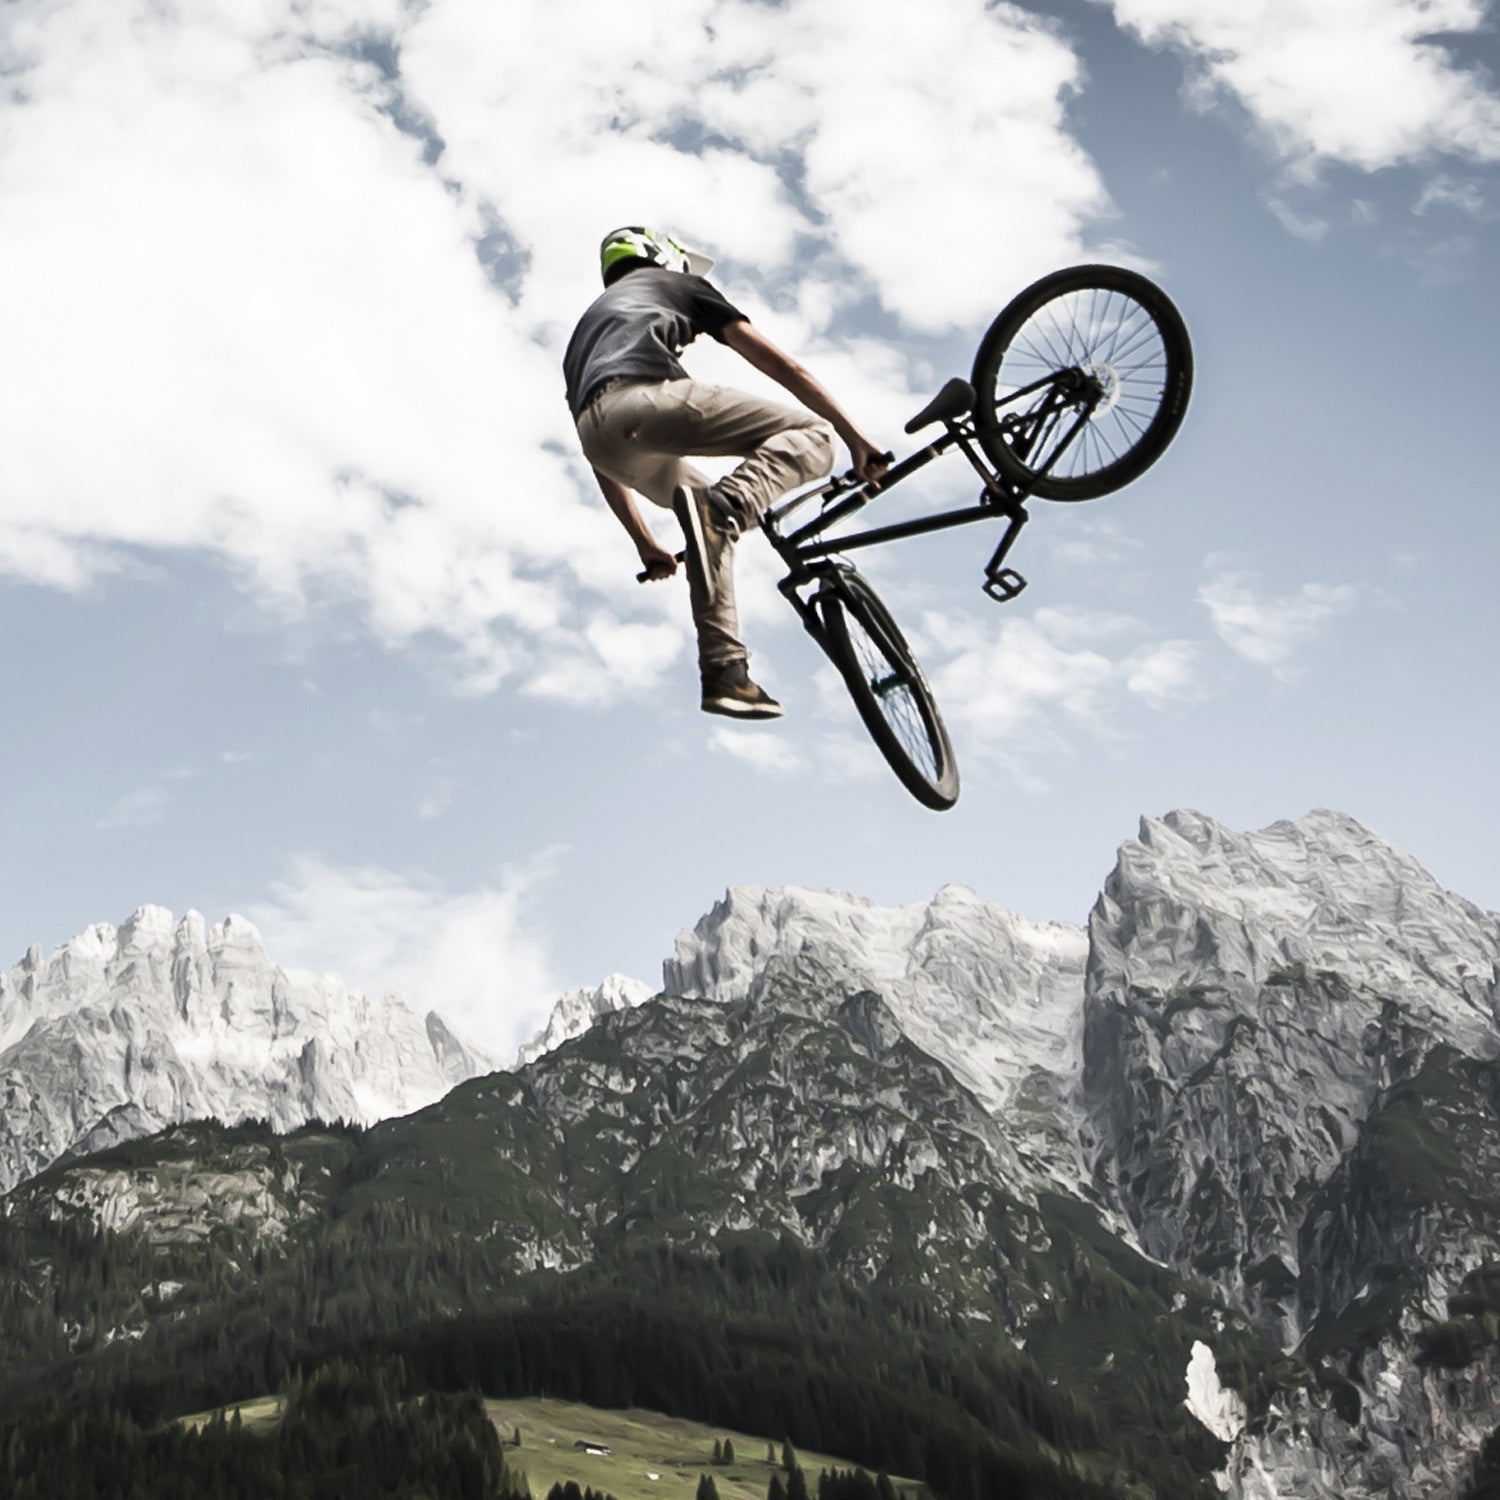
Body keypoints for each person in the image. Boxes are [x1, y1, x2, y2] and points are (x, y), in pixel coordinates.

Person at [563, 226, 888, 720]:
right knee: (813, 438)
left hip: (605, 439)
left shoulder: (584, 337)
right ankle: (725, 511)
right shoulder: (678, 285)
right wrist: (854, 436)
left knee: (718, 525)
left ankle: (724, 672)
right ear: (662, 256)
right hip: (648, 404)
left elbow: (598, 451)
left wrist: (644, 542)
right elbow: (782, 366)